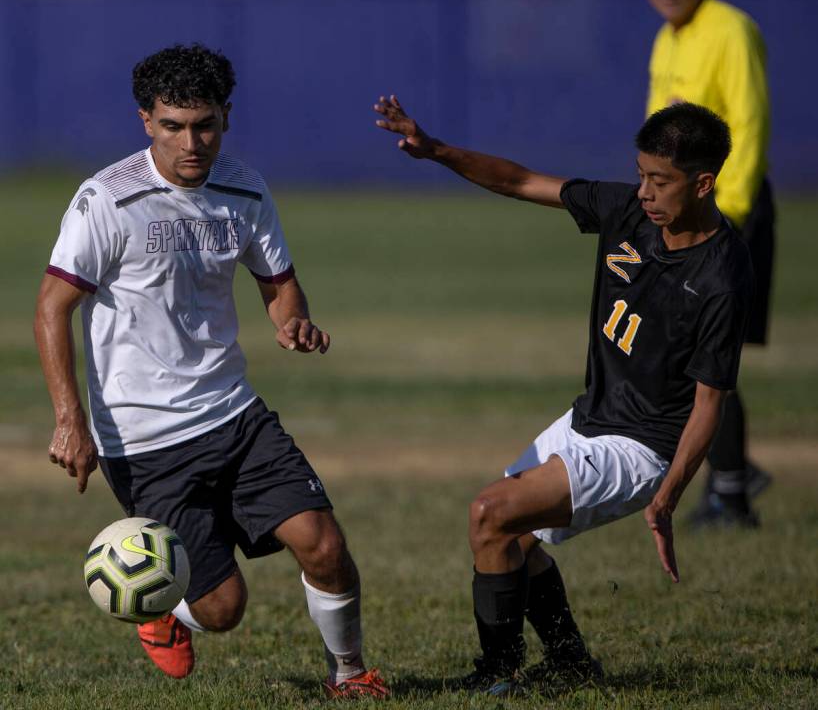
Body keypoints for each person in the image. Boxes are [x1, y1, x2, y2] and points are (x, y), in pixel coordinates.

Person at [34, 44, 388, 699]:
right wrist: (68, 421)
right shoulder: (106, 200)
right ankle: (160, 606)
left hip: (234, 414)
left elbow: (280, 285)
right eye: (172, 126)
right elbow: (52, 308)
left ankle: (351, 674)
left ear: (226, 117)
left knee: (324, 544)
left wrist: (291, 321)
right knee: (224, 607)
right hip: (145, 442)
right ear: (146, 120)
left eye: (205, 125)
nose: (190, 142)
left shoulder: (244, 189)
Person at [374, 95, 753, 695]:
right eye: (641, 176)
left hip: (644, 448)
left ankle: (498, 677)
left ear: (703, 183)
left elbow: (710, 404)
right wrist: (437, 150)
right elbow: (522, 180)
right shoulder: (630, 211)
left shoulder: (721, 277)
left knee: (490, 514)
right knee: (513, 540)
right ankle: (572, 663)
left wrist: (668, 497)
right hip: (591, 417)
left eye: (661, 180)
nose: (646, 192)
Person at [630, 0, 775, 527]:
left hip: (724, 217)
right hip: (682, 219)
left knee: (710, 358)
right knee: (695, 355)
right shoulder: (668, 39)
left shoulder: (730, 30)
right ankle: (733, 479)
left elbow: (747, 125)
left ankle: (733, 492)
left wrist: (728, 223)